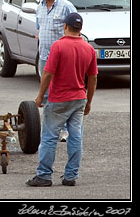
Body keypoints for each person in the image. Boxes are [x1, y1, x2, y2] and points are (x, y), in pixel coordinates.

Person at [26, 12, 98, 187]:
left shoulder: (58, 47)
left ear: (65, 26)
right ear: (80, 29)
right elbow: (93, 78)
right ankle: (71, 176)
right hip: (79, 99)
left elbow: (48, 73)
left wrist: (40, 96)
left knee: (50, 137)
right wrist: (88, 102)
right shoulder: (89, 49)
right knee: (75, 137)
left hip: (59, 99)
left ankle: (44, 176)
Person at [33, 0, 77, 142]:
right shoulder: (40, 7)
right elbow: (39, 28)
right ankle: (51, 128)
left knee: (61, 93)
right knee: (46, 95)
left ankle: (64, 129)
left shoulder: (66, 7)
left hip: (62, 58)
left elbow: (75, 30)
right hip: (44, 57)